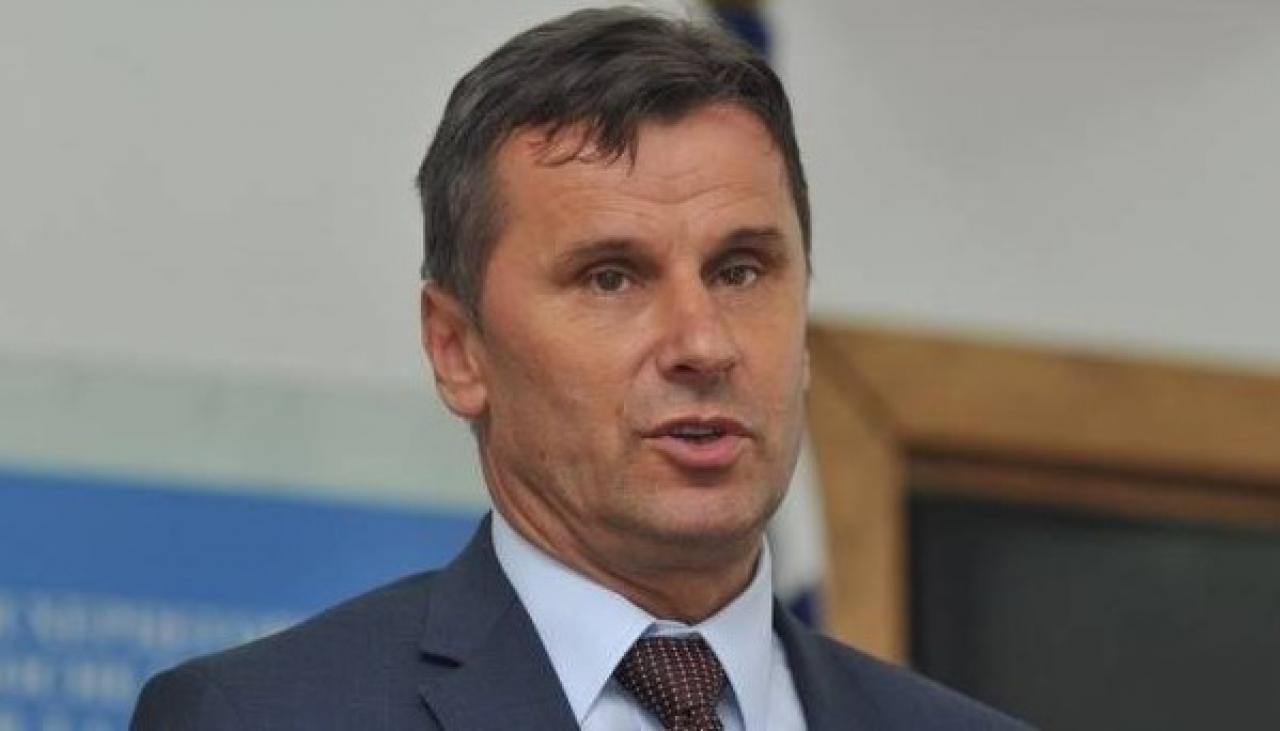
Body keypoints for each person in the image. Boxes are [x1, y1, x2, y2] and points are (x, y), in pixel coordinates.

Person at [132, 7, 1031, 730]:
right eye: (611, 277)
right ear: (457, 348)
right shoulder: (264, 716)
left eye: (740, 270)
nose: (703, 343)